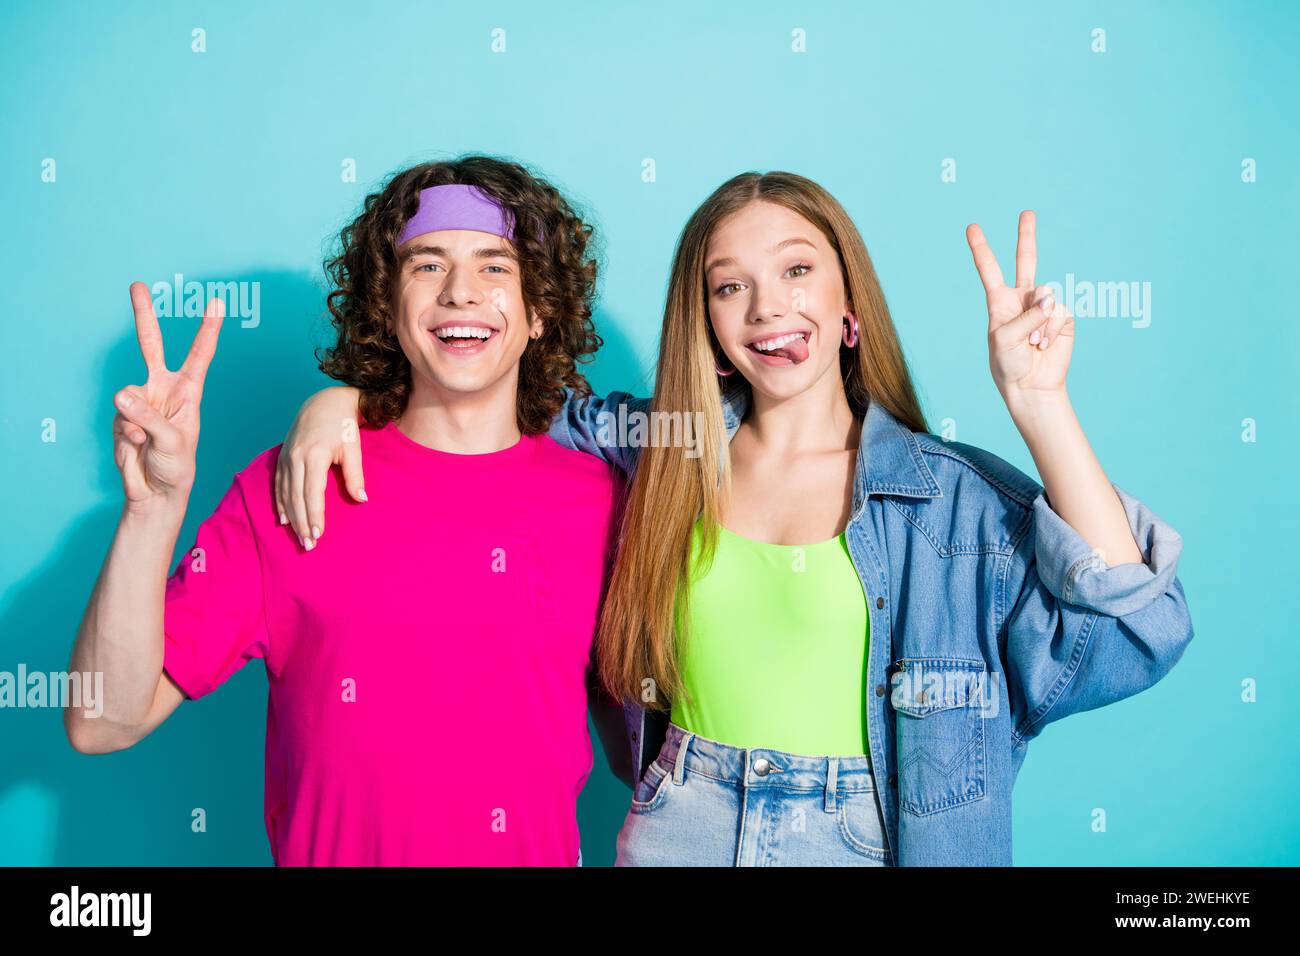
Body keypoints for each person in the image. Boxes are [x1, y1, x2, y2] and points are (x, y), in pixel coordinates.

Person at [275, 171, 1194, 866]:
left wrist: (1040, 405)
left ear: (847, 308)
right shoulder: (652, 454)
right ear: (708, 321)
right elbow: (483, 390)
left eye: (797, 270)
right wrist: (352, 397)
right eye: (729, 286)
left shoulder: (947, 502)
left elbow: (1131, 634)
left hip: (868, 836)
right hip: (684, 822)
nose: (766, 306)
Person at [65, 155, 629, 866]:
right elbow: (101, 721)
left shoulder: (605, 503)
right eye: (427, 265)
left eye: (495, 267)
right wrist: (154, 508)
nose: (461, 292)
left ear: (540, 310)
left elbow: (641, 747)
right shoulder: (295, 483)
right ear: (386, 306)